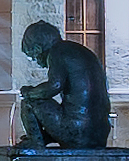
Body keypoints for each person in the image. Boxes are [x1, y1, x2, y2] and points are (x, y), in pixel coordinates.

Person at [18, 18, 112, 149]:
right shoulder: (77, 50)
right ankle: (45, 137)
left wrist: (29, 92)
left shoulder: (57, 53)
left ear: (38, 49)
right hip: (98, 135)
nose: (36, 62)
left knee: (30, 101)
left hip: (77, 131)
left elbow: (53, 86)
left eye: (32, 57)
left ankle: (35, 142)